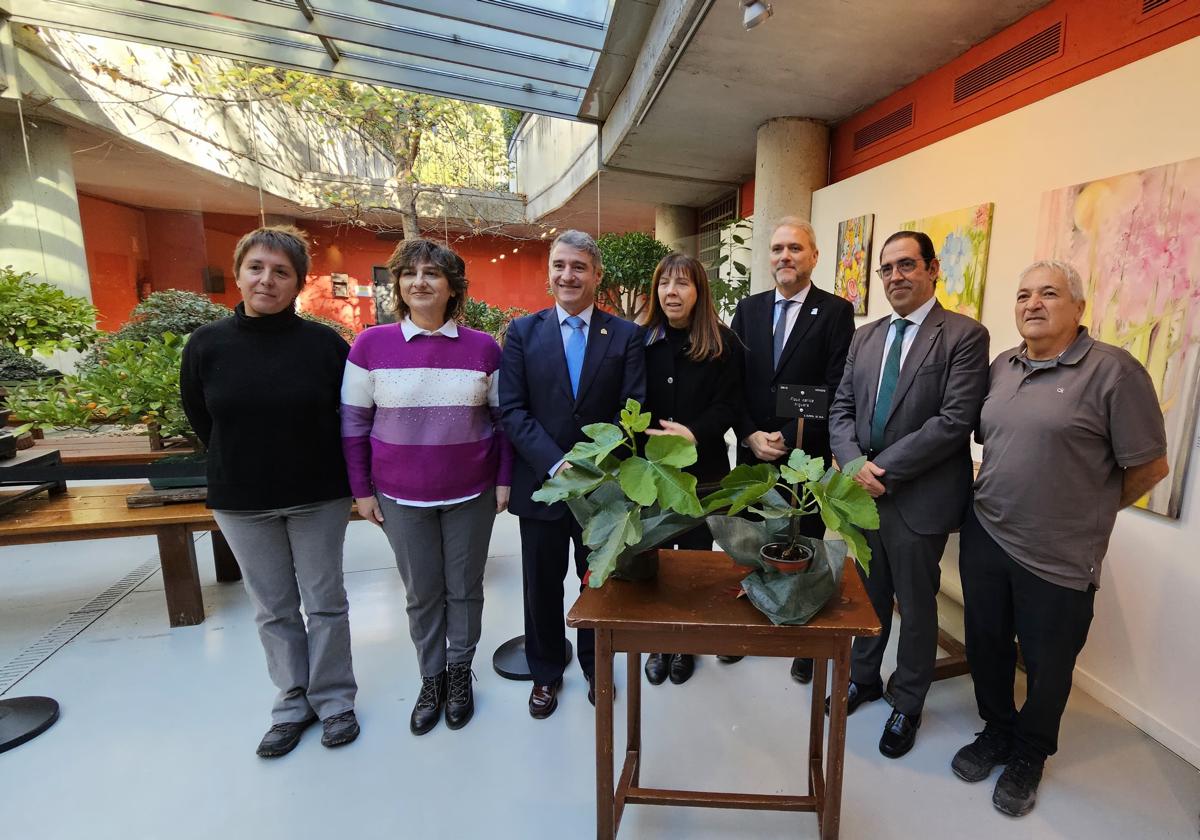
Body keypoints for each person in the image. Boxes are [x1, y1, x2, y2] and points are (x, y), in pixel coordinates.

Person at [954, 259, 1168, 817]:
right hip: (987, 534)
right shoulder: (1002, 366)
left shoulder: (1115, 372)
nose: (1033, 304)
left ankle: (1030, 752)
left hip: (1061, 554)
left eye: (1049, 293)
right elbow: (995, 441)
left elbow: (1149, 468)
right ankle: (996, 731)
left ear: (1078, 306)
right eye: (1024, 294)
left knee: (1049, 663)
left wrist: (1086, 510)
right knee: (987, 644)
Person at [180, 225, 359, 758]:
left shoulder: (324, 344)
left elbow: (349, 415)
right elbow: (201, 418)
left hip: (318, 494)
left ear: (298, 283)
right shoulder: (206, 345)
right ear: (238, 274)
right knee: (273, 608)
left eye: (281, 272)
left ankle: (334, 700)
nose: (267, 280)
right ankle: (291, 702)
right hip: (242, 499)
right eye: (256, 268)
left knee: (325, 602)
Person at [828, 230, 990, 758]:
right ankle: (865, 676)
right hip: (863, 492)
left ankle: (908, 699)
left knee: (917, 605)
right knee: (869, 596)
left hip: (919, 496)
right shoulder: (866, 336)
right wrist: (854, 464)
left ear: (932, 269)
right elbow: (842, 407)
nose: (895, 276)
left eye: (906, 265)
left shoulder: (964, 335)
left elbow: (954, 421)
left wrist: (883, 469)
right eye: (887, 268)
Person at [340, 238, 512, 736]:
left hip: (472, 493)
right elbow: (353, 426)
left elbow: (503, 423)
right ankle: (431, 677)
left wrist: (504, 481)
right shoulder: (369, 346)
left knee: (464, 589)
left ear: (453, 287)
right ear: (397, 284)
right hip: (399, 496)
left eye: (433, 273)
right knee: (421, 593)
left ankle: (460, 673)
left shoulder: (484, 348)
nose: (420, 282)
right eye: (409, 273)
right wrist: (362, 491)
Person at [499, 230, 646, 718]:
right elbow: (513, 410)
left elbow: (634, 408)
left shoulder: (625, 335)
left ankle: (595, 665)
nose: (568, 275)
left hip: (603, 491)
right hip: (542, 485)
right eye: (560, 265)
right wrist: (559, 463)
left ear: (597, 275)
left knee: (596, 583)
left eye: (579, 266)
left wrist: (594, 466)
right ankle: (544, 673)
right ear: (549, 273)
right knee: (540, 584)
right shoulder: (522, 333)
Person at [728, 216, 855, 682]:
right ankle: (752, 621)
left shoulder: (837, 312)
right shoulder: (748, 309)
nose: (785, 256)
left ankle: (803, 634)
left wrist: (781, 432)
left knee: (806, 540)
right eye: (778, 248)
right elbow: (733, 384)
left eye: (795, 249)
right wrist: (749, 434)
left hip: (805, 452)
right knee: (751, 538)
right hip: (751, 451)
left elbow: (835, 385)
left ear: (814, 256)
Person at [639, 253, 742, 687]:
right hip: (651, 471)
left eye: (681, 284)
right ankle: (660, 639)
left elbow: (731, 404)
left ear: (699, 291)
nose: (671, 292)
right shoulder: (641, 340)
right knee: (656, 557)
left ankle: (685, 642)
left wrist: (694, 433)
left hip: (706, 471)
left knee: (696, 559)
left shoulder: (722, 342)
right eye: (664, 283)